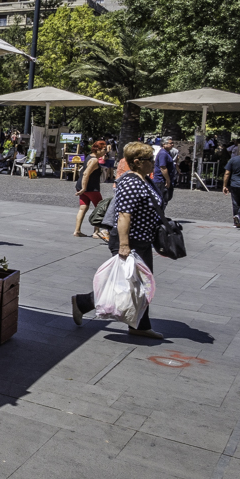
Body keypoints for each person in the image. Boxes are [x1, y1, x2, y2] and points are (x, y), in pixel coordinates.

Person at [71, 142, 163, 339]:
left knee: (138, 283)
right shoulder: (131, 182)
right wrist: (124, 244)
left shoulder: (144, 180)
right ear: (137, 162)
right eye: (150, 160)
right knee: (129, 284)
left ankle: (139, 325)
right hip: (130, 240)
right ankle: (83, 303)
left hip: (142, 240)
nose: (153, 163)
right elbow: (123, 216)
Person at [74, 141, 109, 239]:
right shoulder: (94, 160)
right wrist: (84, 188)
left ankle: (77, 230)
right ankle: (96, 232)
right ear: (98, 149)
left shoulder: (89, 157)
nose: (105, 152)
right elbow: (86, 173)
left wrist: (82, 188)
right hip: (91, 188)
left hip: (82, 186)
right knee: (100, 208)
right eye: (104, 149)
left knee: (83, 208)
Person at [153, 137, 176, 207]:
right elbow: (163, 167)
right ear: (164, 144)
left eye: (172, 143)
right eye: (170, 143)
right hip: (161, 181)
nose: (172, 144)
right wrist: (168, 180)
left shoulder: (167, 153)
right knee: (162, 200)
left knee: (166, 199)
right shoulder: (163, 153)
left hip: (165, 181)